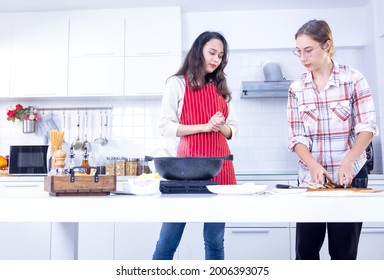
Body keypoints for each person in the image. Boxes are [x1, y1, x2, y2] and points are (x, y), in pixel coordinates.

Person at [287, 19, 378, 260]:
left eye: (308, 50)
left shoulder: (354, 79)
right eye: (299, 51)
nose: (303, 58)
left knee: (343, 255)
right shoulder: (296, 88)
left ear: (327, 46)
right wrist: (313, 165)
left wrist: (350, 159)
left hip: (350, 176)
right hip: (312, 180)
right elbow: (297, 136)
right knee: (305, 253)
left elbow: (367, 127)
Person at [152, 31, 238, 260]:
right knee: (168, 242)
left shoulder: (221, 88)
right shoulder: (177, 83)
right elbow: (165, 126)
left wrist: (219, 126)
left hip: (220, 170)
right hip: (185, 172)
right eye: (212, 52)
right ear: (198, 51)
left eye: (220, 56)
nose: (216, 59)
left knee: (215, 242)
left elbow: (233, 129)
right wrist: (204, 127)